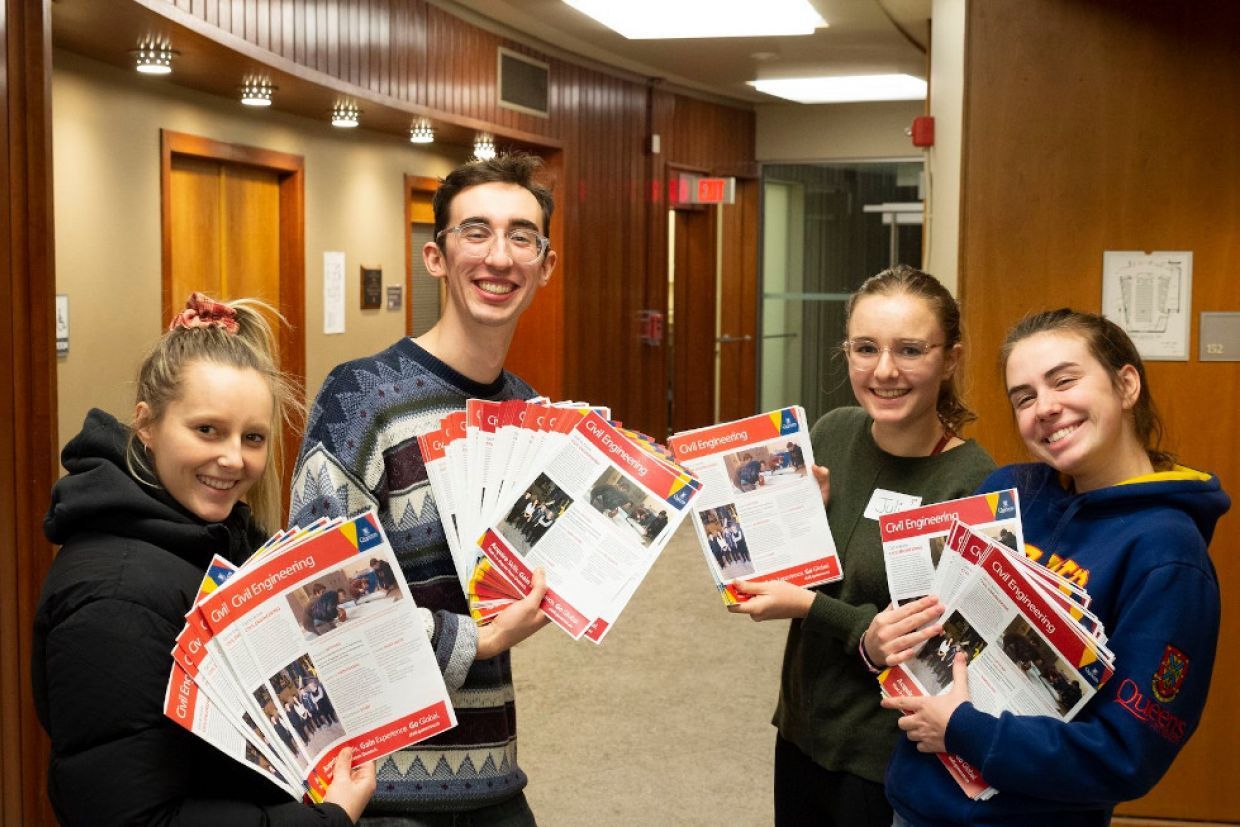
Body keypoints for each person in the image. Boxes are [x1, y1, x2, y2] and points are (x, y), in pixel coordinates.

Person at [32, 293, 375, 825]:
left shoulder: (216, 540)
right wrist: (322, 822)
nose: (234, 459)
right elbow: (132, 818)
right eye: (207, 430)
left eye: (253, 437)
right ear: (146, 425)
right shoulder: (116, 597)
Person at [883, 309, 1229, 827]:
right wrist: (889, 637)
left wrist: (964, 730)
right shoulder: (1008, 491)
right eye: (1024, 397)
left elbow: (1125, 755)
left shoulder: (1168, 556)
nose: (1044, 407)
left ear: (1126, 384)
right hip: (916, 803)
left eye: (1064, 381)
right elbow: (934, 621)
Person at [290, 154, 556, 824]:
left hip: (492, 769)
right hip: (380, 786)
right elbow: (312, 601)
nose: (500, 256)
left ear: (545, 265)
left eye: (522, 236)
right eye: (477, 232)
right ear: (436, 257)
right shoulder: (361, 398)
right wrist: (482, 640)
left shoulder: (532, 414)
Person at [727, 265, 996, 827]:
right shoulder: (832, 431)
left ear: (949, 359)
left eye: (910, 350)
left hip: (888, 752)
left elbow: (947, 646)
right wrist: (784, 527)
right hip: (803, 724)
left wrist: (810, 609)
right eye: (866, 348)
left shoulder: (971, 482)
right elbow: (798, 575)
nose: (885, 371)